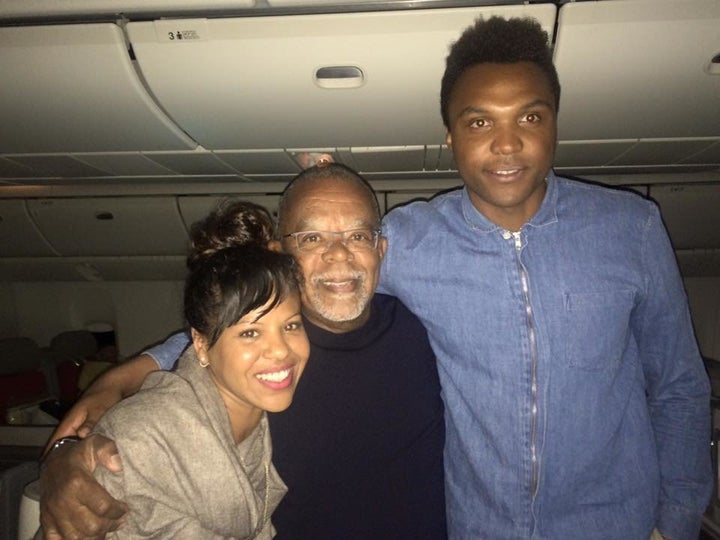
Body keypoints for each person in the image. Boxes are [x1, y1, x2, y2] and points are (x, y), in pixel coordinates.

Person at [377, 15, 712, 540]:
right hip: (476, 527)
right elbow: (315, 307)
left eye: (530, 118)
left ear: (555, 123)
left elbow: (679, 387)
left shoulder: (631, 229)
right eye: (480, 122)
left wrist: (675, 522)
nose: (507, 145)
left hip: (617, 524)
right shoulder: (406, 242)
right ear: (450, 136)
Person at [39, 165, 447, 539]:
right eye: (311, 238)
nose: (338, 254)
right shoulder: (262, 363)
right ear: (278, 254)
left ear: (381, 250)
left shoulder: (431, 330)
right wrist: (68, 450)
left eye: (358, 236)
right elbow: (184, 380)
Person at [40, 200, 310, 538]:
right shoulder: (140, 443)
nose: (280, 350)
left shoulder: (253, 419)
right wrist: (62, 453)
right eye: (250, 332)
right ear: (200, 343)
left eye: (291, 326)